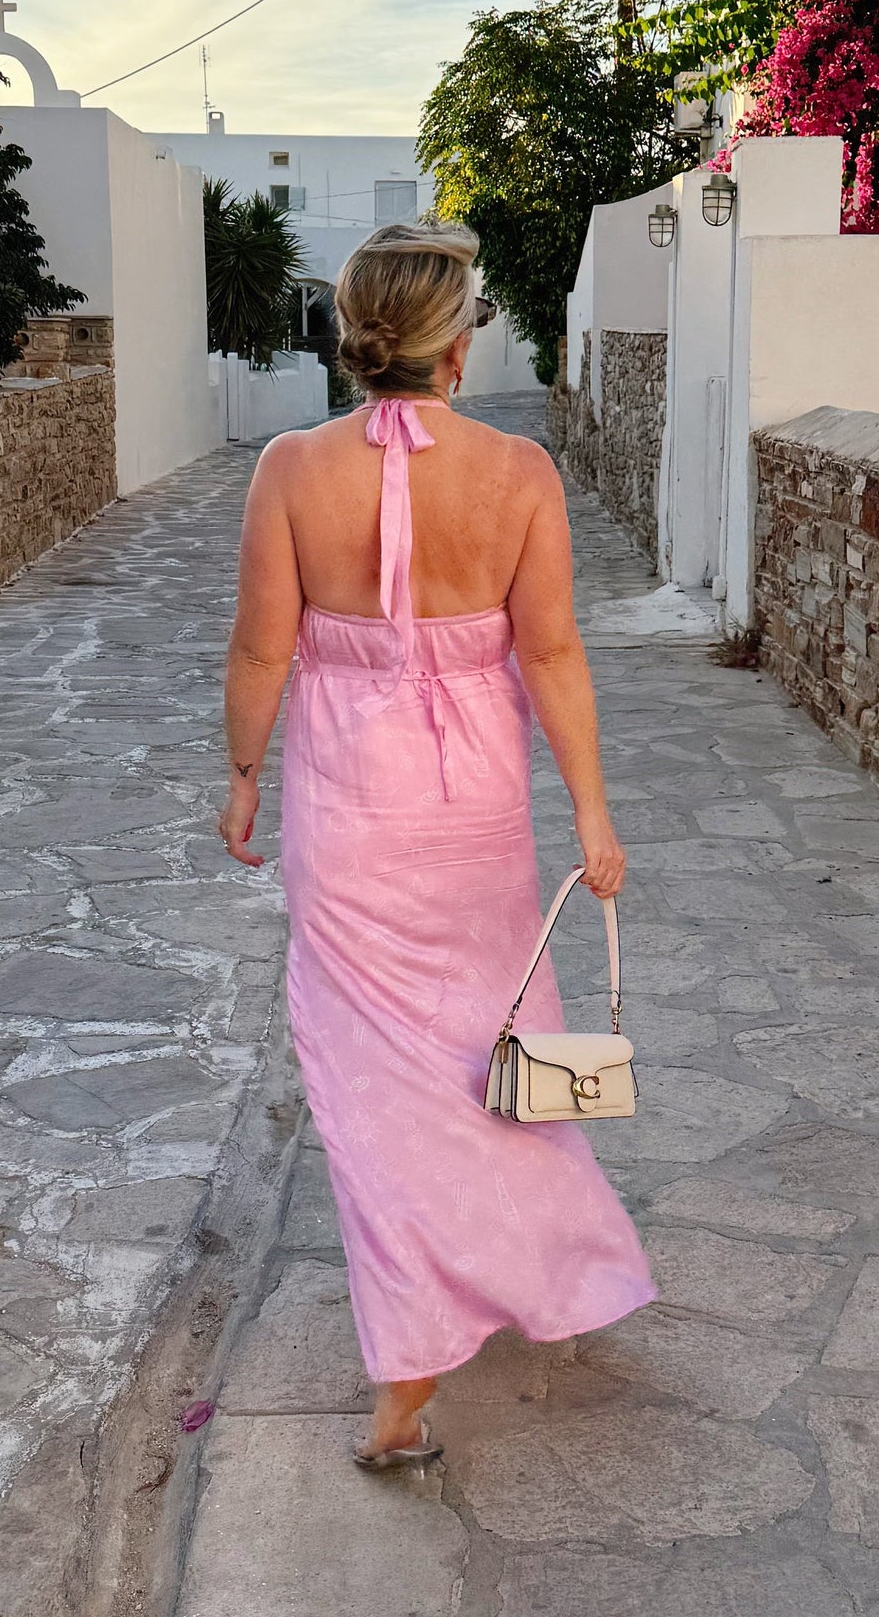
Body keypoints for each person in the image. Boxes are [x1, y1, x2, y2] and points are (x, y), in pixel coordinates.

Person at [219, 221, 654, 1468]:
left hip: (349, 803)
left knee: (372, 1078)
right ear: (459, 346)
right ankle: (527, 1270)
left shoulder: (291, 469)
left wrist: (244, 775)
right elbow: (553, 650)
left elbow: (261, 651)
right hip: (472, 810)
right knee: (488, 1041)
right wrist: (590, 809)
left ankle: (412, 1351)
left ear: (355, 337)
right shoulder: (518, 471)